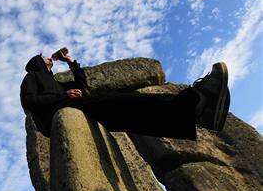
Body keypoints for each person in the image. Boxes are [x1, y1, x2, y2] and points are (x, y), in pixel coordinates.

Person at [20, 50, 230, 140]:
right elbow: (28, 101)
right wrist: (63, 96)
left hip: (70, 106)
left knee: (129, 117)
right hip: (55, 114)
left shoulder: (55, 82)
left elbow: (83, 85)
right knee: (118, 101)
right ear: (38, 63)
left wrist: (72, 63)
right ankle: (195, 102)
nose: (48, 57)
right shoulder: (33, 77)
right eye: (43, 57)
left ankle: (199, 115)